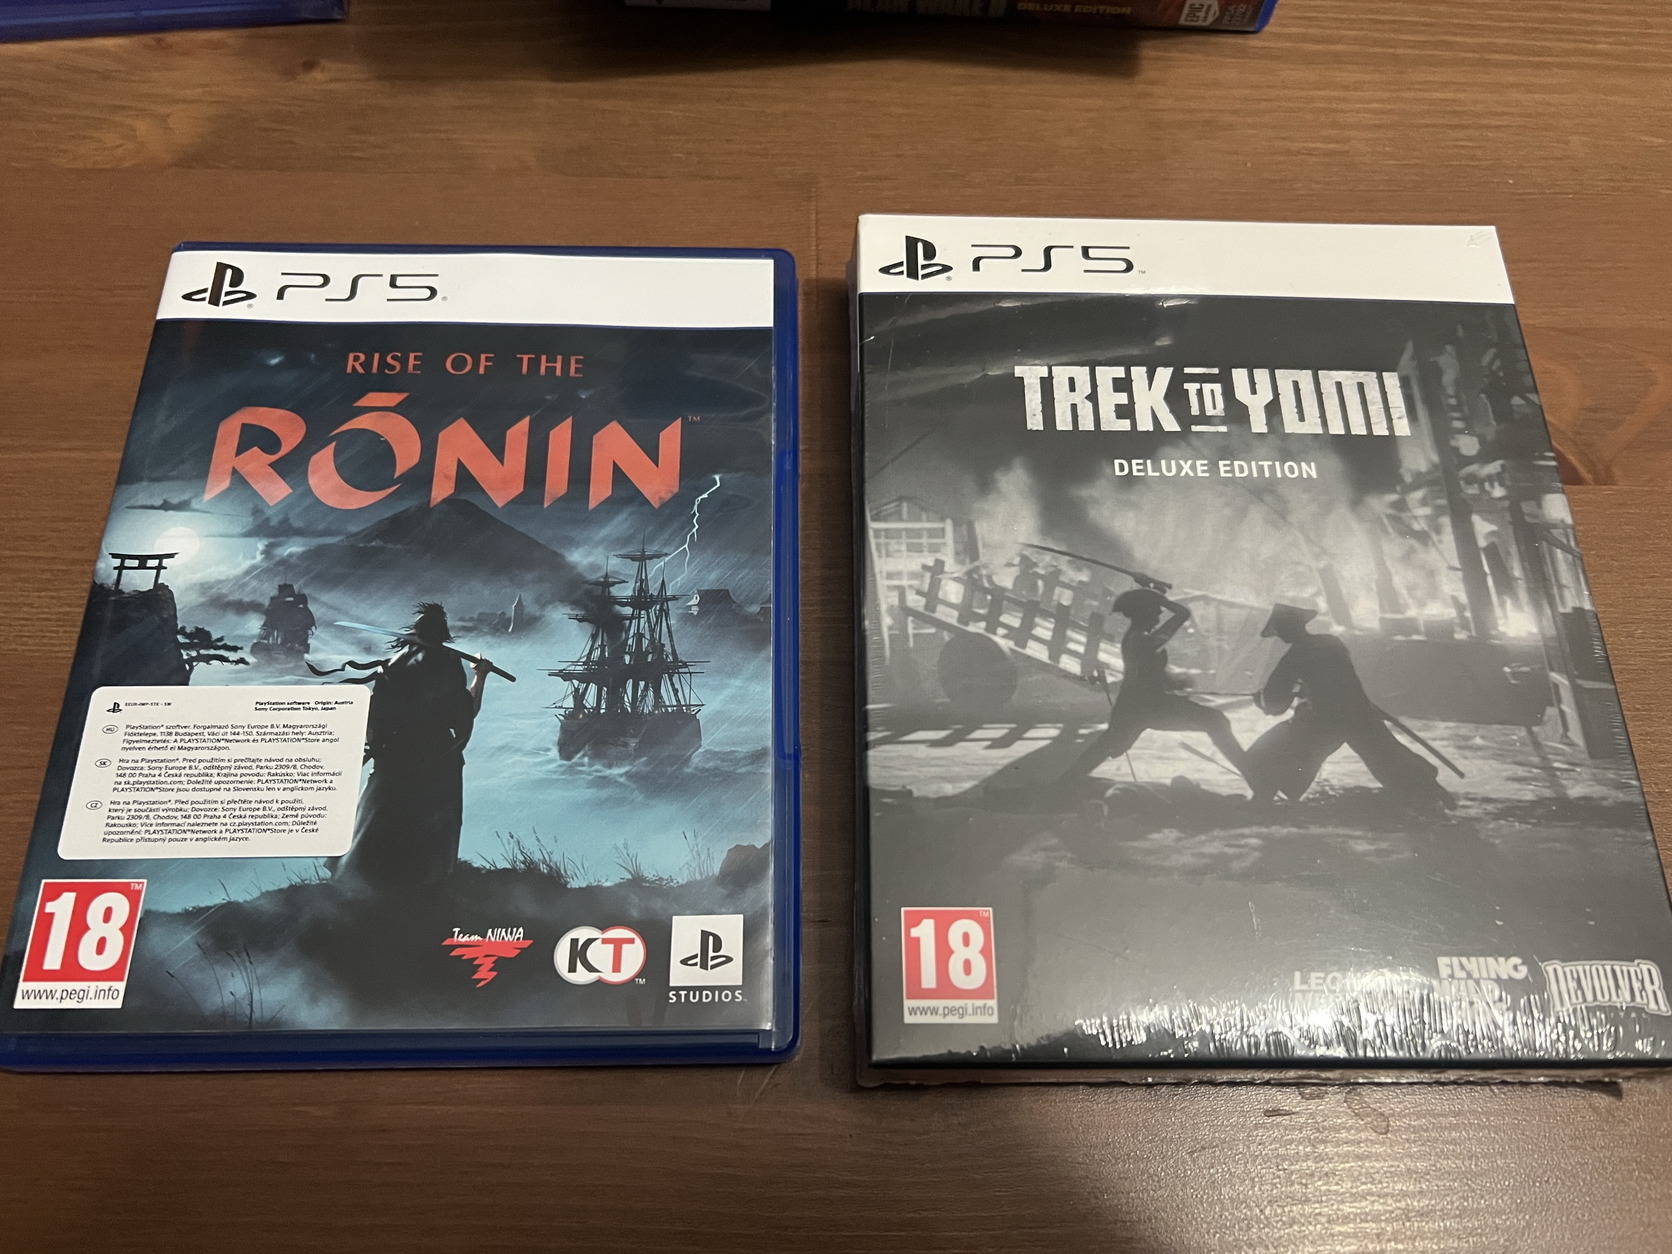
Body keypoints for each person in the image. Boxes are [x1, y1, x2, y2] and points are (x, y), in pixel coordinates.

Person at [328, 603, 495, 888]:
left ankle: (359, 882)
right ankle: (418, 886)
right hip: (435, 757)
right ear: (443, 635)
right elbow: (465, 713)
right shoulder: (445, 664)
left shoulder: (395, 664)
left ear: (416, 632)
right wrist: (481, 676)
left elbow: (375, 715)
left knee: (377, 818)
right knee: (431, 824)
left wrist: (375, 748)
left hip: (395, 755)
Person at [1245, 602, 1449, 805]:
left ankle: (1268, 799)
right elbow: (1337, 680)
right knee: (1389, 757)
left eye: (1281, 628)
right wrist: (1305, 690)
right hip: (1361, 713)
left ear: (1287, 628)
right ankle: (1433, 793)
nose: (1280, 634)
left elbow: (1275, 704)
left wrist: (1261, 702)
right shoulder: (1332, 643)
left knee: (1264, 753)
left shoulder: (1294, 656)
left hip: (1325, 721)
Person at [1061, 586, 1254, 788]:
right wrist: (1159, 598)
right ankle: (1258, 784)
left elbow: (1149, 671)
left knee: (1107, 745)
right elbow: (1183, 613)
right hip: (1147, 706)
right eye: (1155, 609)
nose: (1160, 613)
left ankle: (1062, 785)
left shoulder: (1138, 637)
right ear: (1144, 612)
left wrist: (1175, 682)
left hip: (1137, 705)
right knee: (1216, 721)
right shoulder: (1144, 639)